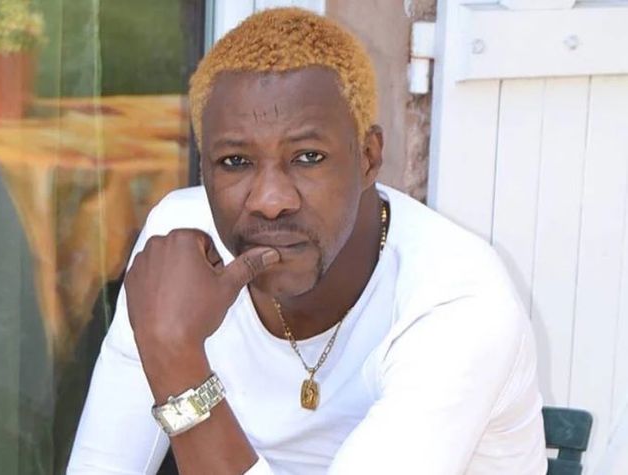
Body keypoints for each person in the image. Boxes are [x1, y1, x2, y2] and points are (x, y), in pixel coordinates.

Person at [67, 8, 546, 474]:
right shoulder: (182, 245)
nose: (270, 201)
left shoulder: (458, 306)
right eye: (235, 162)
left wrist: (177, 361)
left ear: (368, 158)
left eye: (308, 156)